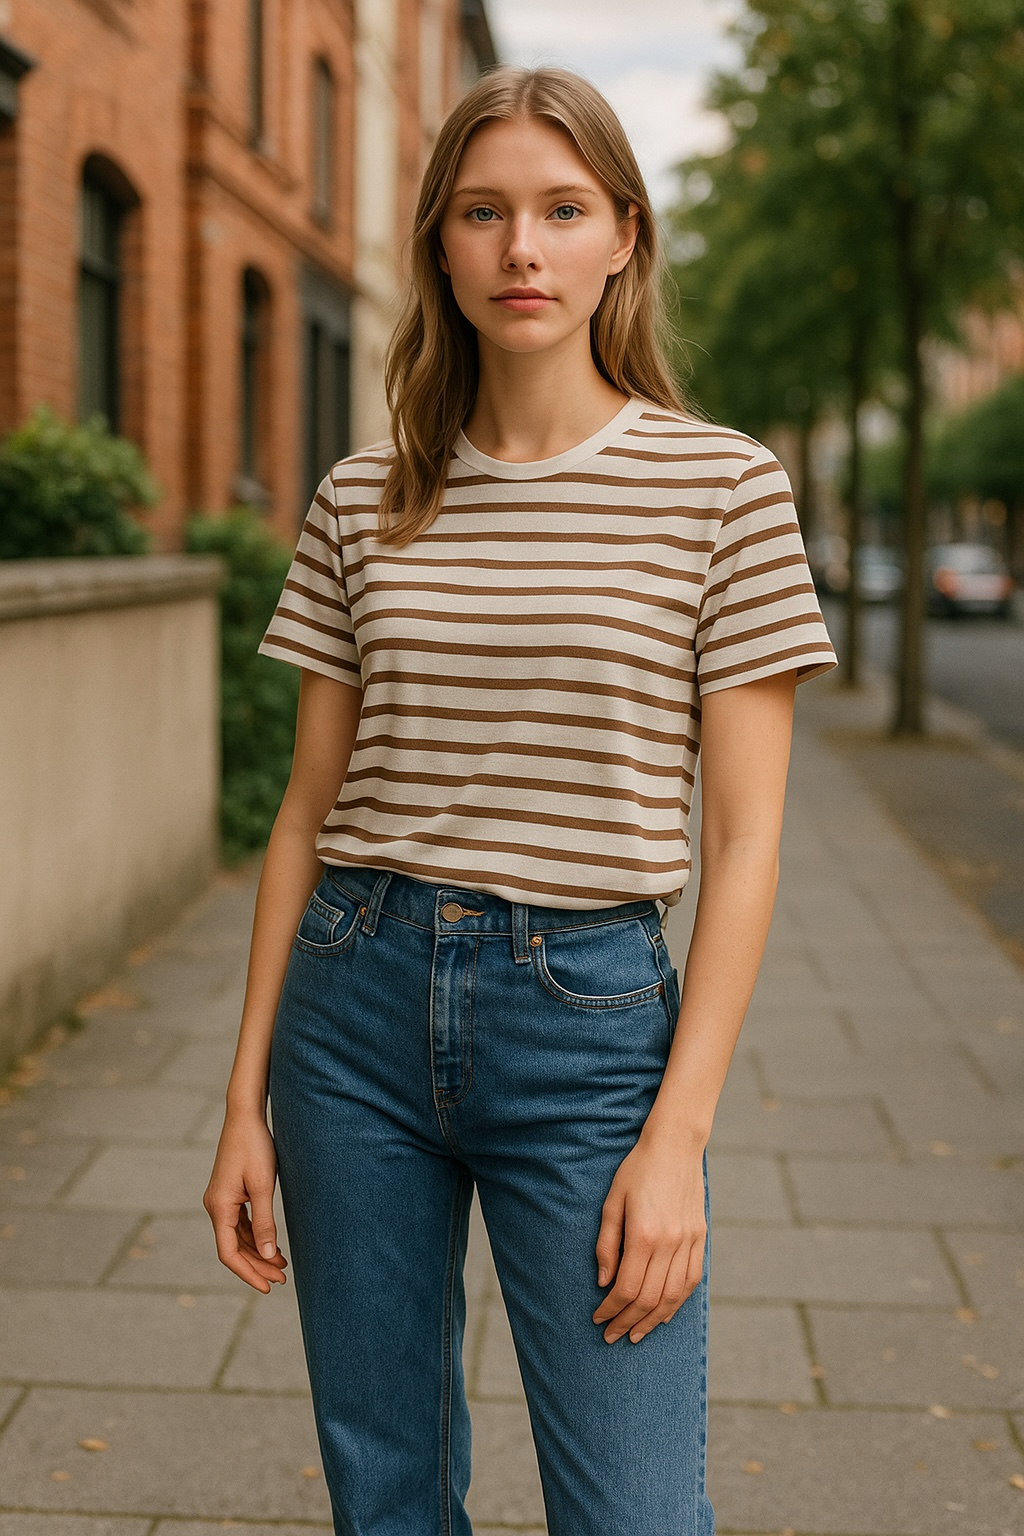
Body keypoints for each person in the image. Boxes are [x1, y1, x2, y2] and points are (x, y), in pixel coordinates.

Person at [203, 65, 837, 1536]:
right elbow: (305, 812)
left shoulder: (722, 492)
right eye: (483, 213)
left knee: (633, 1510)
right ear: (439, 245)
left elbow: (746, 842)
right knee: (389, 1493)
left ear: (625, 234)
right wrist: (245, 1104)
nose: (521, 250)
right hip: (351, 1013)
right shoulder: (365, 499)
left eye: (561, 210)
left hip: (591, 1032)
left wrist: (678, 1139)